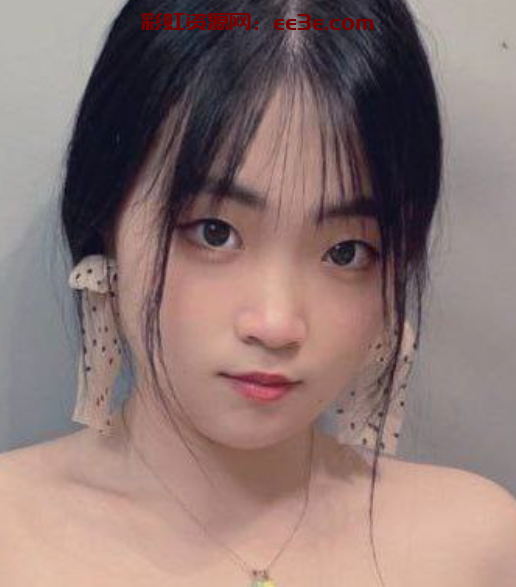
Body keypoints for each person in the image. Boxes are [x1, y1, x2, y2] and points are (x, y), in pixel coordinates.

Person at [1, 0, 515, 585]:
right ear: (105, 222)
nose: (276, 323)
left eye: (346, 252)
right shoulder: (12, 540)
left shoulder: (474, 548)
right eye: (214, 233)